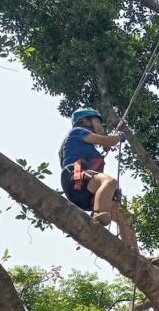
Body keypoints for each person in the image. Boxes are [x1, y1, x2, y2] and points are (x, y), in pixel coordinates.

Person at [59, 108, 137, 251]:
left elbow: (106, 143)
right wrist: (119, 136)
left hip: (88, 193)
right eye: (96, 121)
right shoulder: (77, 132)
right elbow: (108, 141)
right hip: (75, 175)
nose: (100, 126)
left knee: (125, 219)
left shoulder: (88, 146)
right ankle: (97, 216)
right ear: (83, 122)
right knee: (110, 182)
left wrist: (114, 136)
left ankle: (134, 255)